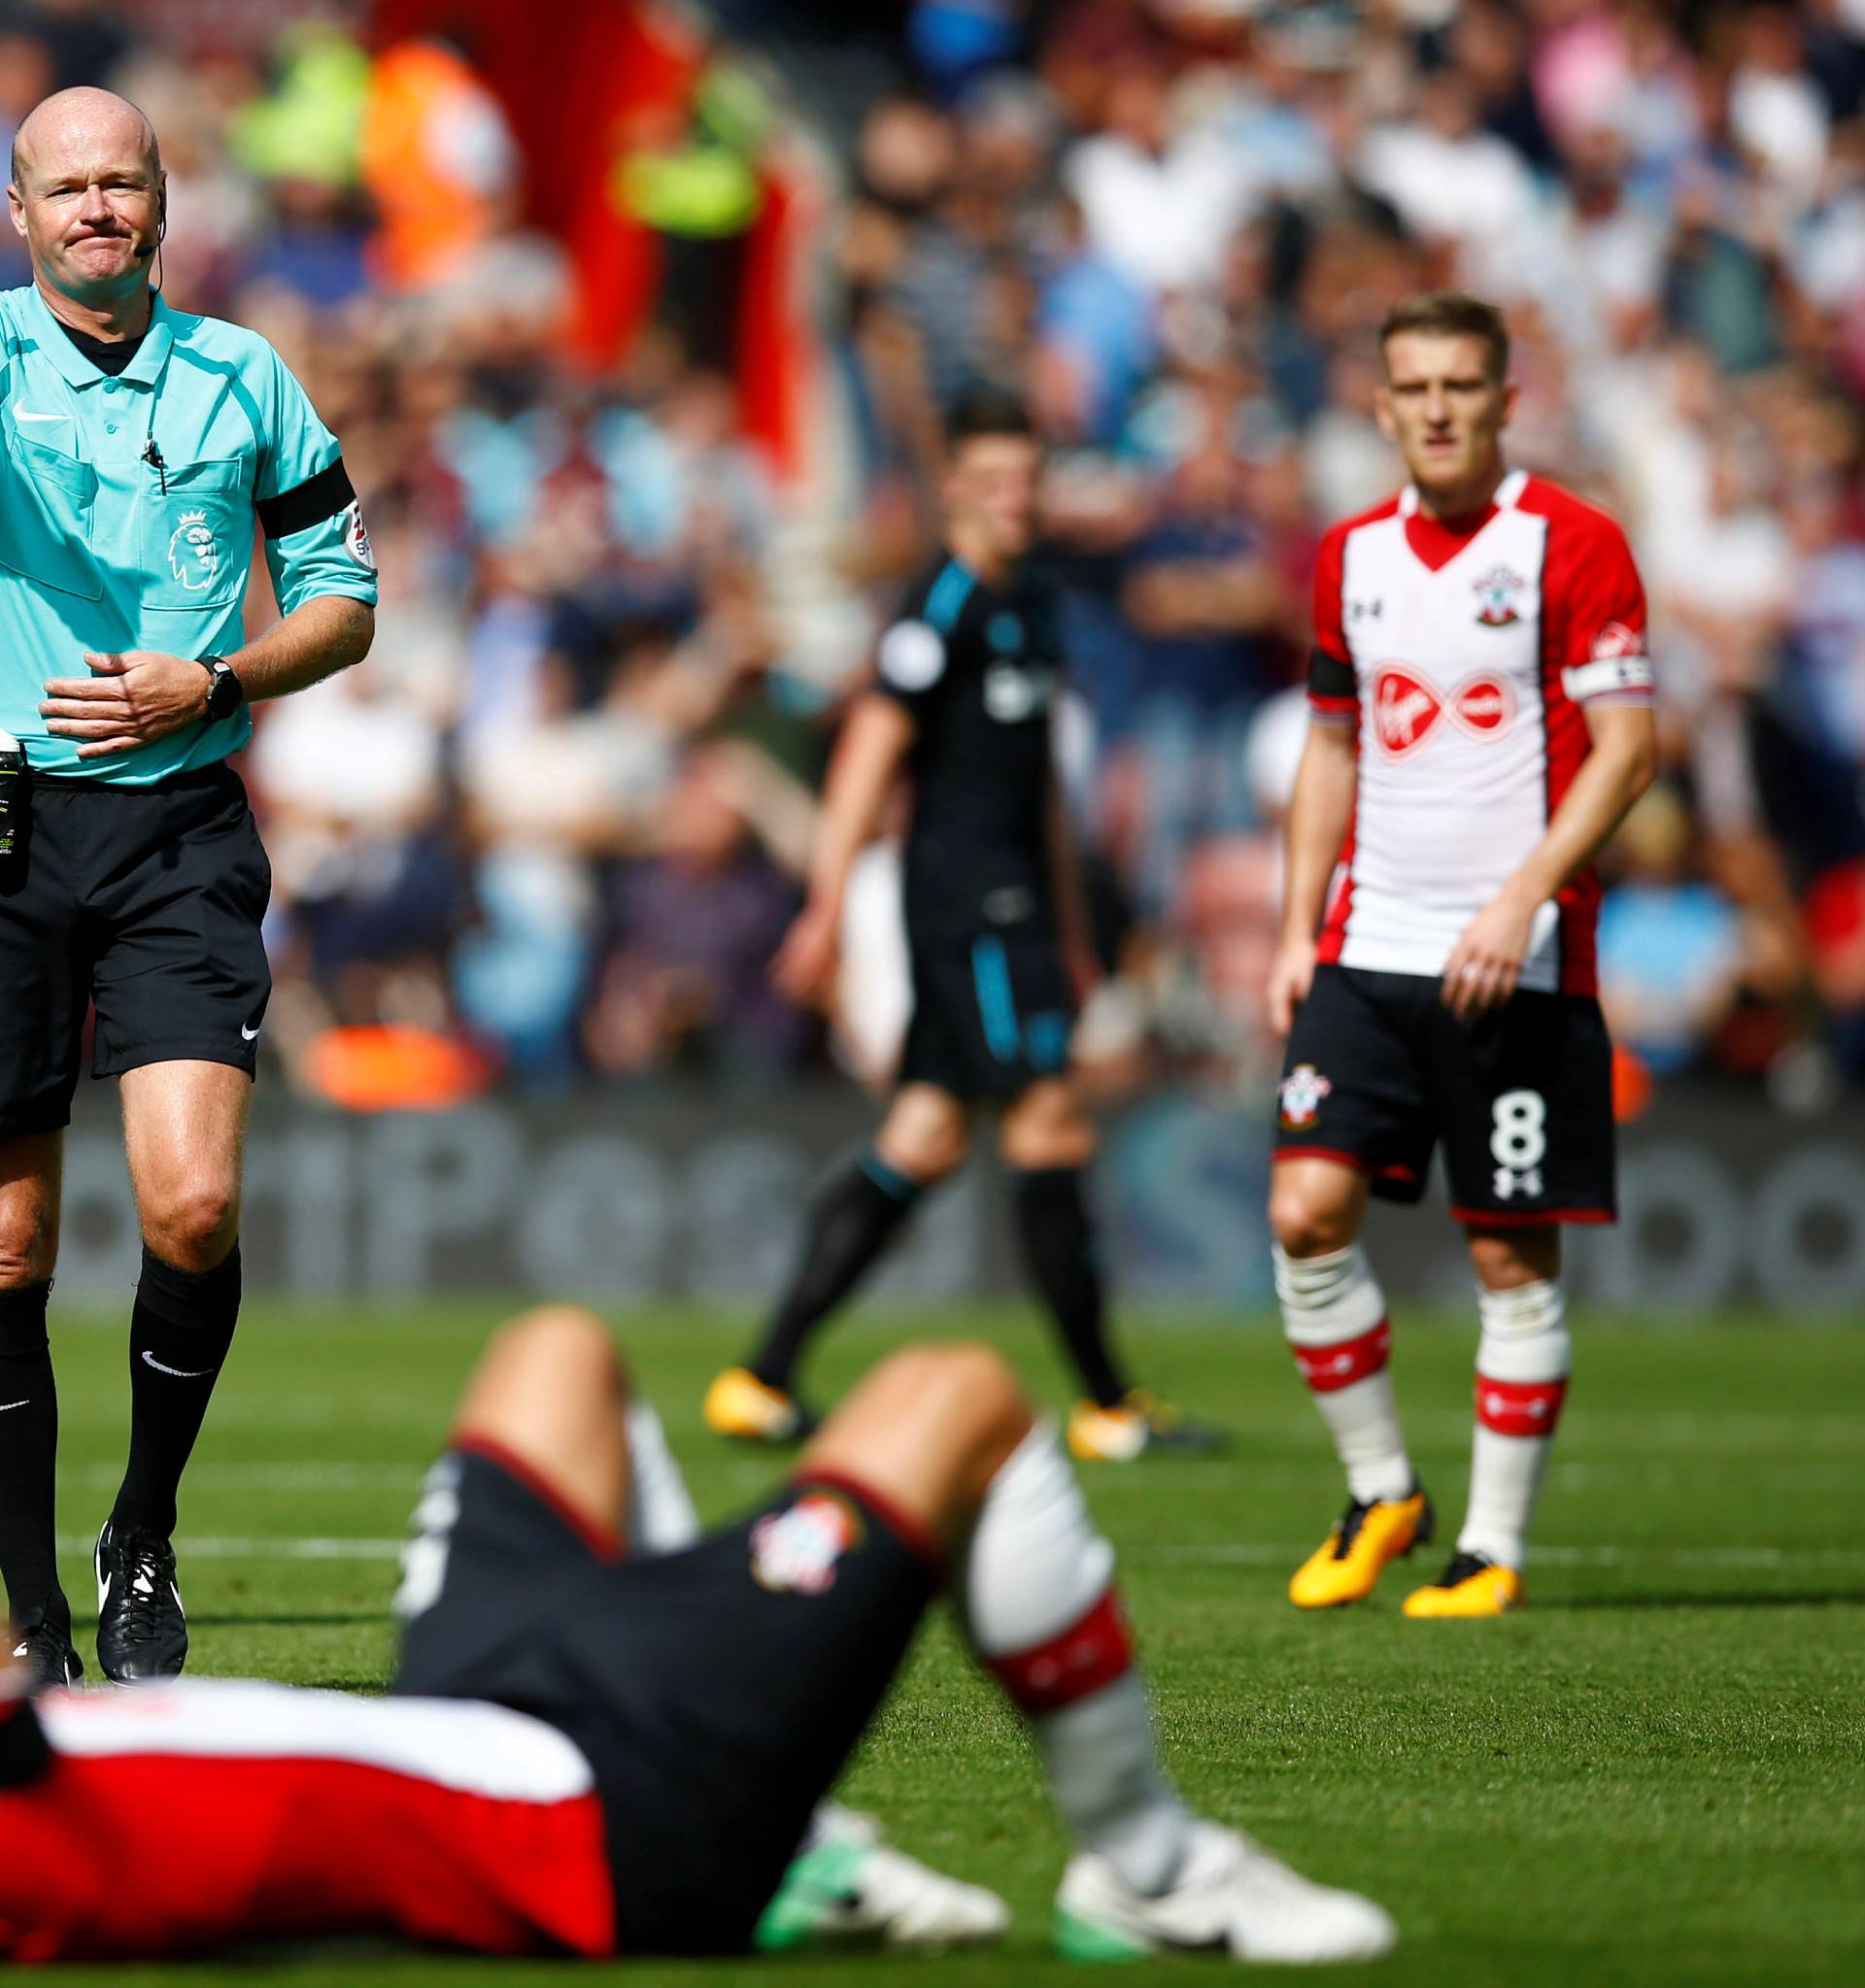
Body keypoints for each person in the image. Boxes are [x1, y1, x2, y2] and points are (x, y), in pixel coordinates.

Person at [0, 1303, 1397, 1966]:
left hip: (472, 1707)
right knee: (958, 1392)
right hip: (605, 1817)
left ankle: (795, 1836)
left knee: (555, 1350)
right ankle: (1149, 1866)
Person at [0, 88, 378, 1685]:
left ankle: (139, 1534)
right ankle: (30, 1621)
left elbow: (346, 599)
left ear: (162, 199)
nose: (96, 208)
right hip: (11, 830)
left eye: (120, 182)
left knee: (195, 1203)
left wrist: (210, 680)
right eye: (64, 187)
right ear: (22, 216)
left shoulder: (245, 375)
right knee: (9, 1249)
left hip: (178, 823)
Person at [705, 389, 1218, 1462]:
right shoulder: (940, 609)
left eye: (1027, 482)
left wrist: (1074, 930)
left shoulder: (1028, 604)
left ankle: (762, 1378)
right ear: (952, 493)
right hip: (971, 910)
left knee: (927, 1137)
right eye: (992, 484)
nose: (1013, 502)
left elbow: (1037, 792)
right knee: (1047, 1121)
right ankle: (1109, 1404)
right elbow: (868, 755)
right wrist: (831, 907)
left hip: (1024, 911)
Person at [1265, 291, 1656, 1618]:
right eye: (1413, 388)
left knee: (1508, 1258)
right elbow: (1332, 747)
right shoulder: (1348, 558)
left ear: (1505, 400)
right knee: (1304, 1213)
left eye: (1461, 388)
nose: (1437, 410)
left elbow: (1630, 749)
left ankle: (1490, 1549)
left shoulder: (1575, 543)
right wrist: (1291, 927)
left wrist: (1525, 899)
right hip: (1368, 945)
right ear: (1380, 407)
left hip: (1521, 960)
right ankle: (1383, 1491)